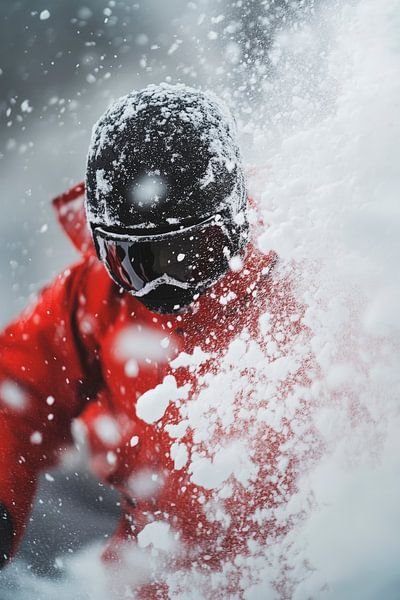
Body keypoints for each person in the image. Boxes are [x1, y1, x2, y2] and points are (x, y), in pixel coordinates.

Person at [0, 83, 301, 597]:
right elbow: (15, 389)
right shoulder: (96, 295)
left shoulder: (307, 276)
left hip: (305, 574)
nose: (167, 288)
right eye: (136, 263)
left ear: (234, 225)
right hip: (153, 577)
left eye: (194, 255)